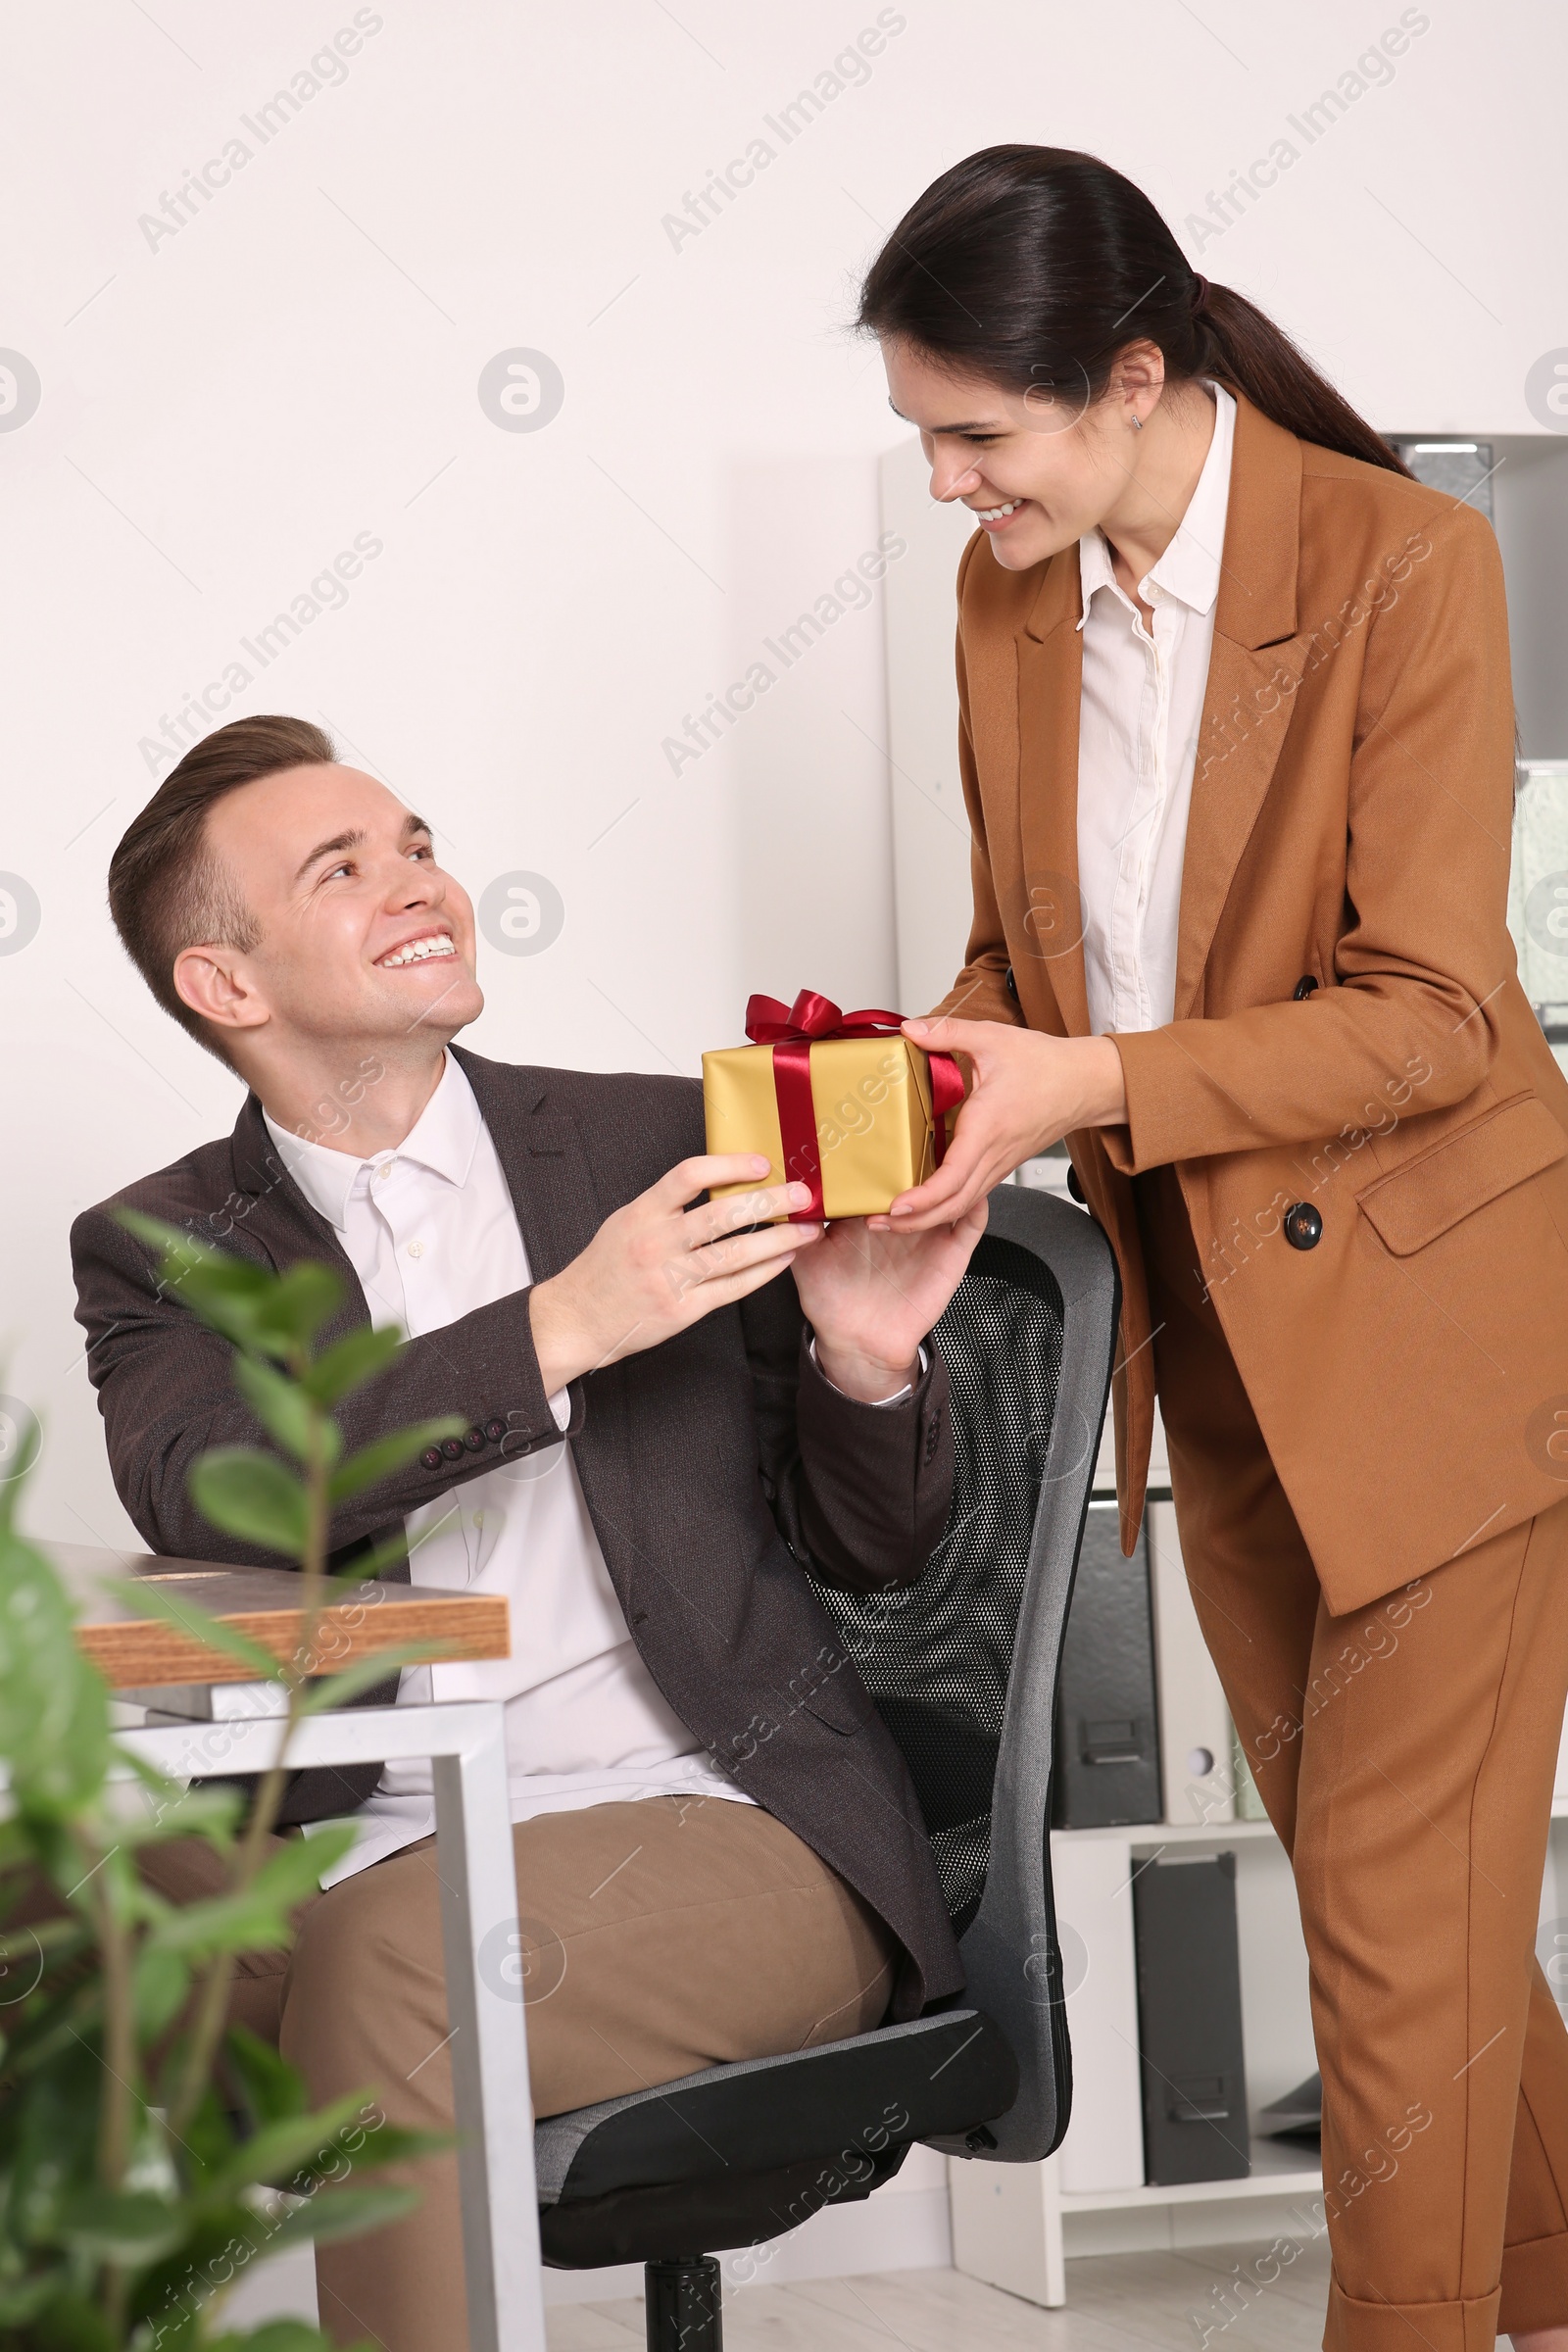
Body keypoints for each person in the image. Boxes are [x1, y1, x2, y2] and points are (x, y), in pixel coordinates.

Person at [859, 144, 1568, 2352]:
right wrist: (926, 1074)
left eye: (974, 437)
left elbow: (1438, 1011)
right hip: (1205, 1340)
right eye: (924, 443)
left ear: (1134, 375)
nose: (946, 491)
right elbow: (1023, 957)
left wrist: (1089, 1090)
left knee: (1377, 1920)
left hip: (1436, 1338)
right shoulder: (1004, 601)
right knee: (1418, 1910)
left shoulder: (1402, 565)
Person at [72, 714, 986, 2352]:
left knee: (395, 1964)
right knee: (39, 1897)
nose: (418, 881)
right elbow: (219, 1494)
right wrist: (560, 1328)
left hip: (723, 1817)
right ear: (228, 985)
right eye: (340, 870)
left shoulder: (661, 1142)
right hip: (367, 1823)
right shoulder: (165, 1247)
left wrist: (866, 1357)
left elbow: (878, 1556)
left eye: (414, 842)